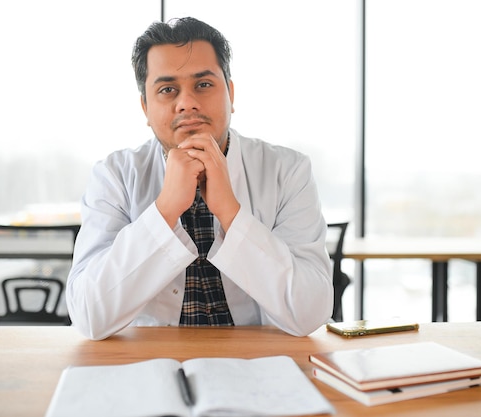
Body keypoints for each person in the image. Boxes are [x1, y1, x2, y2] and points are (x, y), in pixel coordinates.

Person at [66, 17, 333, 340]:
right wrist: (164, 211)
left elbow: (310, 313)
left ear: (231, 94)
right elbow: (88, 316)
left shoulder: (288, 170)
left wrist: (230, 212)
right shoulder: (115, 175)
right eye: (167, 90)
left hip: (258, 364)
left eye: (203, 85)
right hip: (149, 366)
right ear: (145, 108)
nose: (187, 103)